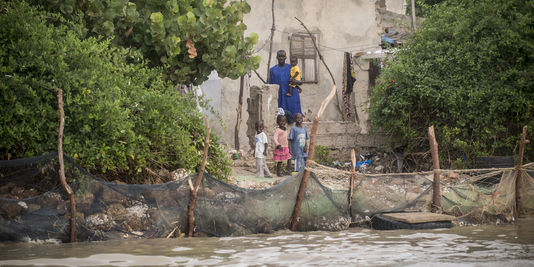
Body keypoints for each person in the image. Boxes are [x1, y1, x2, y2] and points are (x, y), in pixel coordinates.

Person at [269, 50, 302, 116]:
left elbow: (300, 82)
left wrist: (294, 81)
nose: (281, 58)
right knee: (280, 118)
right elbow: (270, 85)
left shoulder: (292, 68)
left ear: (285, 57)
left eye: (283, 56)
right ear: (277, 57)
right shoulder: (272, 70)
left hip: (291, 96)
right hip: (279, 97)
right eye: (279, 56)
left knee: (295, 117)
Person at [273, 112, 292, 176]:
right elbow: (275, 138)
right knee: (280, 161)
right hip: (280, 148)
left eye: (284, 121)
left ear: (286, 122)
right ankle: (278, 172)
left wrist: (289, 147)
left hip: (285, 147)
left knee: (289, 158)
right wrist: (278, 145)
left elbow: (286, 139)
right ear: (277, 122)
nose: (282, 123)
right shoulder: (277, 130)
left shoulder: (285, 130)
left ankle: (288, 170)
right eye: (280, 121)